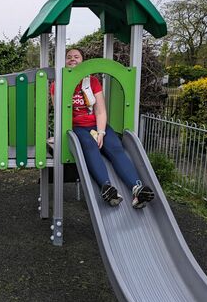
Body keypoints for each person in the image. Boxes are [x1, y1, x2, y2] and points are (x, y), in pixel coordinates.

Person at [57, 48, 155, 208]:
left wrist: (101, 132)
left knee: (116, 147)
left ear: (84, 62)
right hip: (77, 127)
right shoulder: (59, 83)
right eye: (68, 57)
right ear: (64, 61)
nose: (72, 59)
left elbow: (100, 110)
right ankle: (107, 187)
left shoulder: (92, 82)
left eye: (76, 57)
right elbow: (61, 113)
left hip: (97, 124)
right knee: (89, 146)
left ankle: (137, 189)